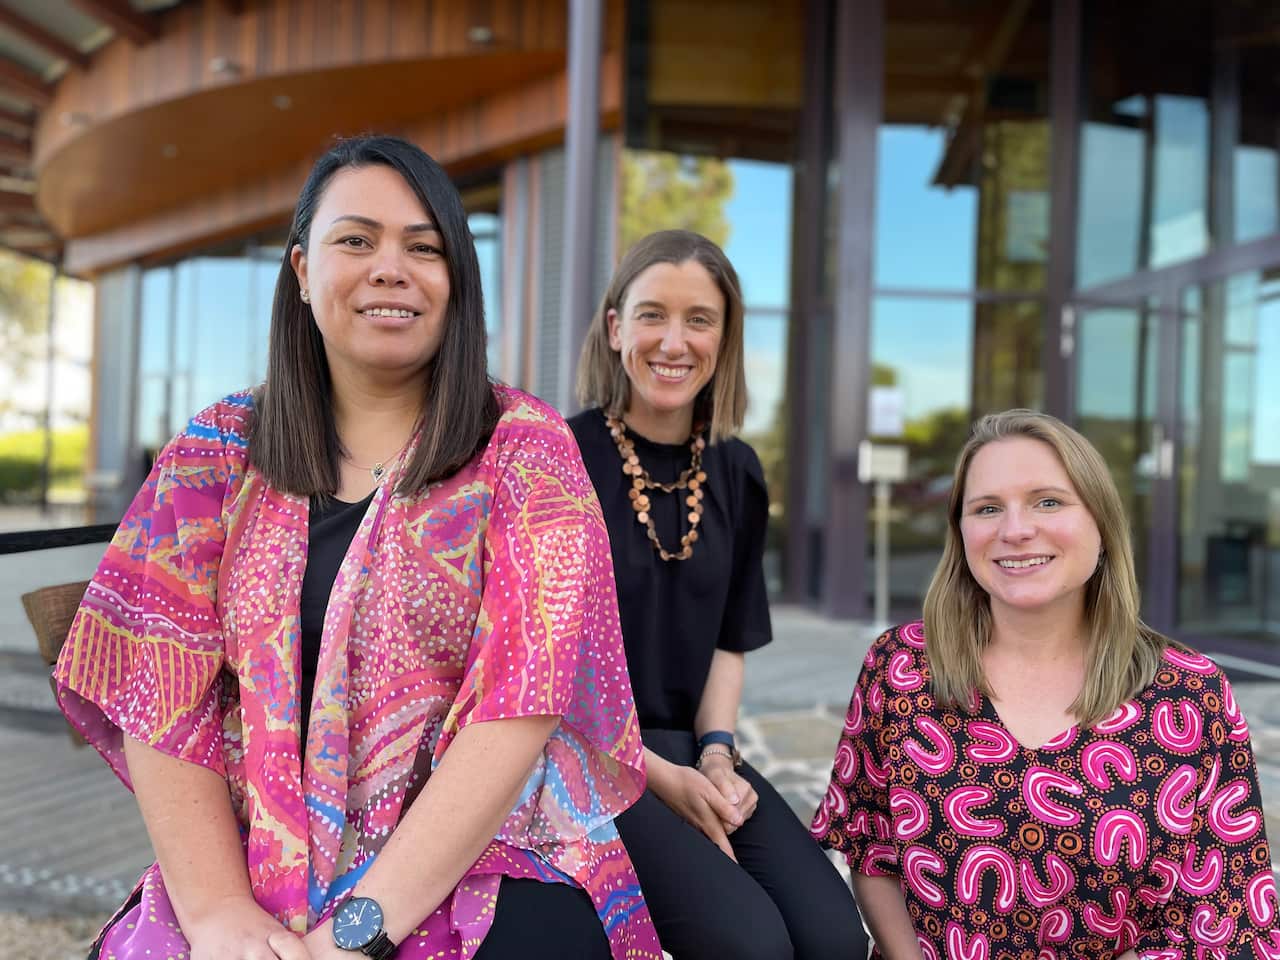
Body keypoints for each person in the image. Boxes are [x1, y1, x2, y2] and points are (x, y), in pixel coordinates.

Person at [54, 135, 661, 960]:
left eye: (425, 247)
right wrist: (218, 913)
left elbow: (523, 705)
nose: (390, 267)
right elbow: (159, 686)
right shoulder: (217, 450)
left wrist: (357, 932)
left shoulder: (526, 450)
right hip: (250, 857)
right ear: (302, 272)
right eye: (356, 239)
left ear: (457, 284)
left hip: (482, 857)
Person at [812, 409, 1280, 959]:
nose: (1015, 530)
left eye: (1048, 501)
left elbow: (1227, 919)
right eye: (987, 508)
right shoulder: (901, 669)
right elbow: (873, 852)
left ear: (1102, 526)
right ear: (961, 533)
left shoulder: (1190, 696)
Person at [569, 229, 868, 960]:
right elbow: (534, 663)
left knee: (832, 937)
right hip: (585, 755)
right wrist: (653, 770)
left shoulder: (737, 471)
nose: (675, 341)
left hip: (688, 748)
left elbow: (730, 638)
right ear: (615, 329)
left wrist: (718, 757)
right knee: (751, 945)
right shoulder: (558, 457)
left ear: (724, 337)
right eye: (651, 315)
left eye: (699, 319)